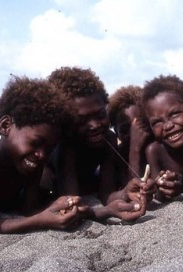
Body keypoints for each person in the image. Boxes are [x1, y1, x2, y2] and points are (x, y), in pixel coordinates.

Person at [0, 75, 89, 234]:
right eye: (35, 142)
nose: (42, 155)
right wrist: (41, 220)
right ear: (5, 126)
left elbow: (29, 210)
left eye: (49, 148)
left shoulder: (33, 163)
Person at [47, 67, 153, 222]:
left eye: (100, 115)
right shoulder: (65, 147)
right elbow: (73, 205)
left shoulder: (107, 139)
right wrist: (108, 212)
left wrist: (126, 193)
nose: (95, 125)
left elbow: (106, 194)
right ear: (65, 121)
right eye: (82, 120)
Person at [108, 85, 152, 184]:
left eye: (140, 125)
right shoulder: (117, 156)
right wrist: (134, 150)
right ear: (116, 132)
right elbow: (132, 188)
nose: (135, 133)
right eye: (125, 129)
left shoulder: (160, 148)